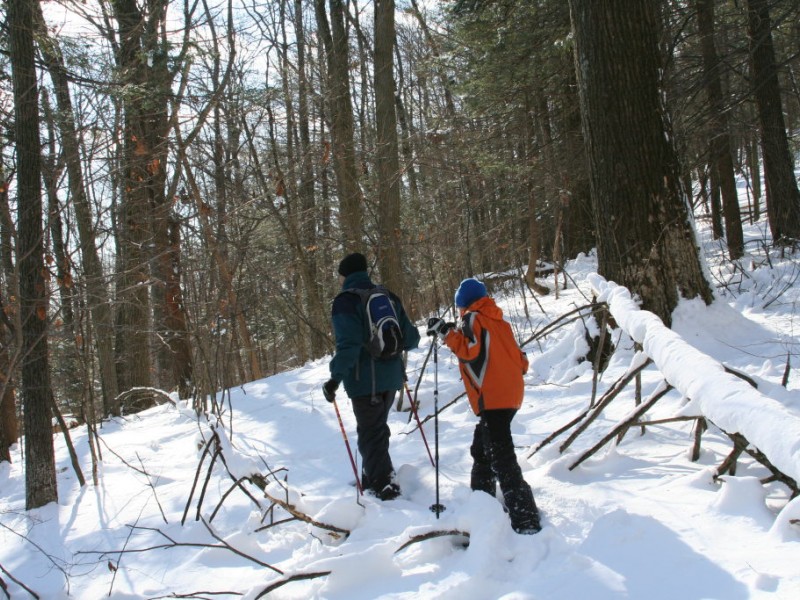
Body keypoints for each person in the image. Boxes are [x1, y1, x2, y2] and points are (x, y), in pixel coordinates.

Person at [427, 278, 541, 534]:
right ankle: (482, 502)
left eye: (458, 307)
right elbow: (522, 362)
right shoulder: (500, 323)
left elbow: (470, 351)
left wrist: (446, 333)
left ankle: (526, 519)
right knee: (482, 449)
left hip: (494, 398)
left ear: (463, 304)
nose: (458, 313)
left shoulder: (473, 318)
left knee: (502, 458)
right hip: (510, 396)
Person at [322, 252, 421, 500]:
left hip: (366, 382)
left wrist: (335, 378)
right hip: (392, 379)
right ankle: (374, 476)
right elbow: (411, 338)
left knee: (370, 433)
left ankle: (384, 488)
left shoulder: (345, 301)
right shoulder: (386, 296)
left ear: (344, 276)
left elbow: (349, 346)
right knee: (376, 430)